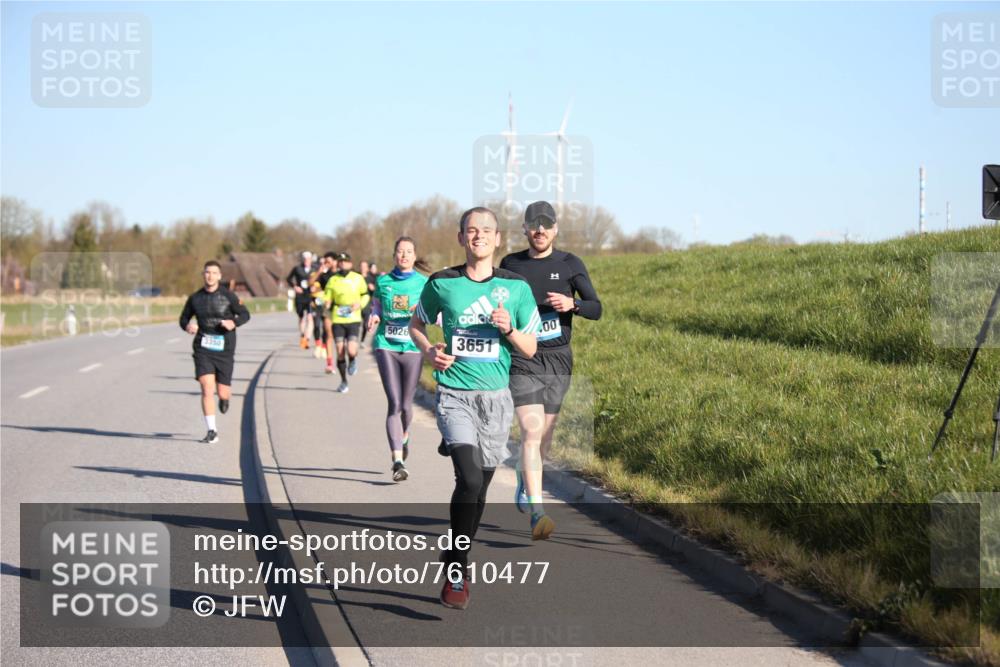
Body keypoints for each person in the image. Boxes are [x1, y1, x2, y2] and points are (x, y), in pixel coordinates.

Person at [409, 207, 541, 610]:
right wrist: (430, 350)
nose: (479, 236)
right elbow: (417, 325)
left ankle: (455, 551)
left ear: (498, 239)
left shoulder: (516, 288)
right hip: (454, 395)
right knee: (467, 479)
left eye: (486, 231)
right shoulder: (443, 283)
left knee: (479, 489)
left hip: (496, 400)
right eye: (472, 230)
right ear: (461, 238)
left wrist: (509, 329)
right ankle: (459, 567)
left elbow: (531, 348)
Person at [500, 201, 602, 539]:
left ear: (555, 229)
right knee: (530, 432)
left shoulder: (570, 263)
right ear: (525, 229)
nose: (540, 230)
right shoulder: (510, 264)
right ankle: (537, 509)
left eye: (547, 224)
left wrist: (573, 304)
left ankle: (524, 477)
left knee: (544, 437)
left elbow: (596, 308)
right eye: (534, 224)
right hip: (523, 357)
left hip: (559, 358)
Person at [367, 237, 429, 482]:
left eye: (409, 252)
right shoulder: (383, 281)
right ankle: (397, 460)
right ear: (394, 255)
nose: (404, 255)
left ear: (414, 256)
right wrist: (374, 315)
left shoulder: (424, 283)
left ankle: (404, 436)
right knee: (393, 403)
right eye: (400, 251)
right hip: (386, 346)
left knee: (405, 405)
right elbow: (377, 306)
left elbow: (432, 313)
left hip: (413, 347)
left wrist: (422, 313)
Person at [179, 260, 251, 444]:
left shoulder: (229, 297)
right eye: (207, 272)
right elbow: (183, 318)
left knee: (223, 391)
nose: (209, 276)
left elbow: (245, 314)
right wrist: (188, 325)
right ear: (203, 275)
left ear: (219, 276)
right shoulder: (195, 298)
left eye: (213, 273)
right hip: (203, 347)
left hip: (224, 349)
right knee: (206, 387)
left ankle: (224, 399)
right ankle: (212, 430)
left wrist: (233, 323)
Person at [324, 252, 370, 392]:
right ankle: (344, 381)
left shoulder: (358, 278)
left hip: (353, 318)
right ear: (338, 264)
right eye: (341, 262)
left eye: (346, 262)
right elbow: (327, 296)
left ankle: (353, 360)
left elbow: (365, 295)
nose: (343, 264)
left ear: (350, 263)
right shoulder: (333, 280)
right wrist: (326, 302)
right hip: (338, 318)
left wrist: (360, 304)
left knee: (351, 349)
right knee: (340, 350)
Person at [287, 251, 316, 349]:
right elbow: (288, 279)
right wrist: (295, 286)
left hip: (311, 296)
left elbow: (320, 280)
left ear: (311, 259)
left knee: (310, 317)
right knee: (301, 317)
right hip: (300, 296)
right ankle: (302, 334)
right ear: (302, 259)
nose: (307, 261)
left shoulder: (315, 269)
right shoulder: (297, 268)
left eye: (308, 259)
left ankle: (307, 338)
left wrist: (316, 287)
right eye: (305, 259)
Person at [309, 253, 335, 361]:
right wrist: (319, 272)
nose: (325, 264)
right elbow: (310, 283)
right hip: (317, 303)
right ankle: (318, 345)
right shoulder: (319, 274)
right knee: (316, 324)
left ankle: (324, 347)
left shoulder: (335, 275)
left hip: (328, 304)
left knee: (326, 328)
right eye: (323, 263)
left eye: (327, 262)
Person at [359, 260, 376, 347]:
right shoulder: (356, 277)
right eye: (361, 266)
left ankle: (362, 340)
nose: (363, 268)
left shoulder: (371, 278)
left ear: (367, 268)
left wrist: (373, 288)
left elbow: (376, 292)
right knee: (357, 323)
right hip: (356, 303)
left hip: (367, 304)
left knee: (366, 323)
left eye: (364, 266)